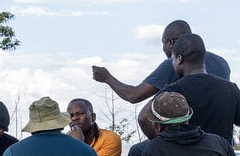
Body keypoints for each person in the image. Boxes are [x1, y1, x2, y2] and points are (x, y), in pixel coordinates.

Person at [91, 19, 230, 105]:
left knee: (136, 151)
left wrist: (107, 78)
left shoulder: (174, 64)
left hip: (189, 142)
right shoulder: (222, 63)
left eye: (162, 43)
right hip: (222, 143)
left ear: (170, 42)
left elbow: (134, 95)